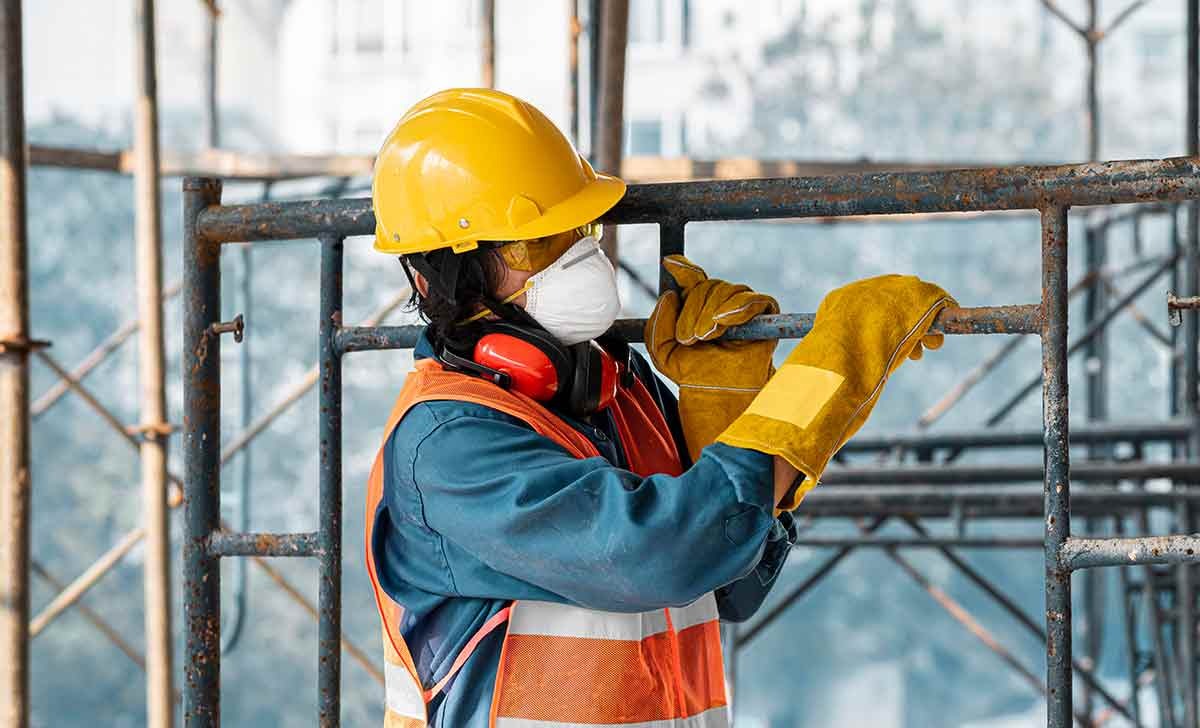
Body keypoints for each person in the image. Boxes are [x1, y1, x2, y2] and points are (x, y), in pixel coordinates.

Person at [365, 88, 952, 728]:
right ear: (439, 278)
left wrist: (716, 407)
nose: (578, 257)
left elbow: (730, 583)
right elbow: (663, 553)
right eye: (531, 247)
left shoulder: (615, 386)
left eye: (577, 231)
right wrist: (834, 371)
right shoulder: (447, 444)